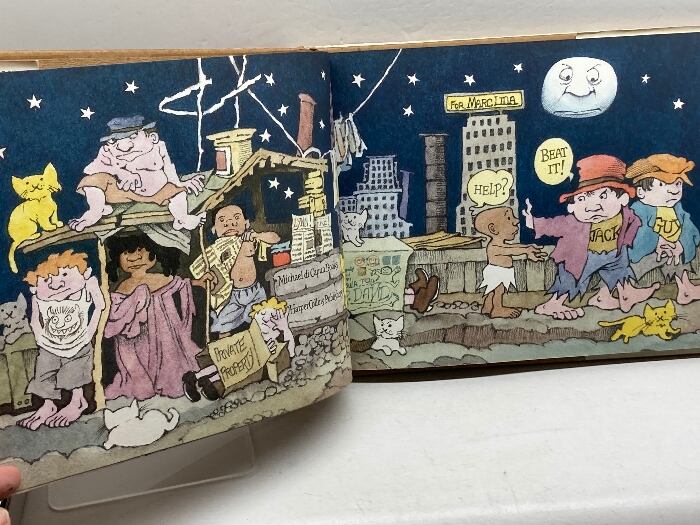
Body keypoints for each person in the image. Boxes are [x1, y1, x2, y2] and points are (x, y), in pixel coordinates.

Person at [522, 154, 658, 319]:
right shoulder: (574, 222)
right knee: (570, 280)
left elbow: (635, 224)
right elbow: (555, 225)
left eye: (603, 196)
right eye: (582, 198)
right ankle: (552, 304)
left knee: (621, 271)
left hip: (614, 255)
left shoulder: (626, 214)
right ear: (572, 207)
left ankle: (625, 293)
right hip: (583, 258)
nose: (593, 207)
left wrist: (629, 243)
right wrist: (533, 222)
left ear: (622, 199)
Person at [104, 232, 216, 400]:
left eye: (140, 250)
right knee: (142, 362)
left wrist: (200, 282)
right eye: (126, 253)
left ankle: (186, 379)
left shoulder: (159, 279)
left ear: (153, 252)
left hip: (163, 334)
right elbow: (117, 313)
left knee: (168, 360)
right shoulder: (123, 287)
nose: (134, 258)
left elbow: (180, 284)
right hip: (137, 340)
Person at [69, 115, 206, 232]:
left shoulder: (158, 147)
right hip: (126, 193)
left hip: (158, 191)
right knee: (93, 180)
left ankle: (182, 218)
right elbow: (90, 169)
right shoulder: (108, 151)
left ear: (152, 137)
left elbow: (169, 169)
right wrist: (121, 172)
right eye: (114, 140)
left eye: (133, 136)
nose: (123, 146)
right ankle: (95, 211)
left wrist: (179, 184)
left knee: (177, 193)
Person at [18, 250, 105, 430]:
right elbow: (35, 320)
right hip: (48, 347)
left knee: (73, 374)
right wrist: (39, 337)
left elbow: (100, 306)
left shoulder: (83, 293)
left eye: (65, 275)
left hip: (78, 345)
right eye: (48, 279)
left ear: (84, 274)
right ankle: (48, 405)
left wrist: (90, 332)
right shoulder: (39, 299)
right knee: (43, 376)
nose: (57, 283)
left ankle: (77, 401)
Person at [626, 154, 700, 304]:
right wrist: (657, 241)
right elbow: (633, 237)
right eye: (662, 184)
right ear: (641, 192)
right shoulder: (638, 210)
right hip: (645, 255)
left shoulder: (677, 209)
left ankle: (685, 288)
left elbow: (692, 232)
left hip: (672, 252)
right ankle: (628, 292)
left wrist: (681, 244)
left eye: (678, 184)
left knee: (678, 258)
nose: (674, 190)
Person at [209, 205, 281, 335]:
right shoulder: (214, 250)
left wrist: (256, 235)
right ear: (214, 229)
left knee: (261, 321)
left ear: (246, 223)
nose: (229, 224)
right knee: (223, 324)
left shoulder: (248, 238)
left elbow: (275, 238)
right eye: (222, 220)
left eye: (236, 218)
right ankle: (226, 345)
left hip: (254, 292)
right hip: (231, 295)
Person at [474, 206, 546, 318]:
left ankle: (487, 308)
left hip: (500, 271)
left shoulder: (499, 244)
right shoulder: (494, 246)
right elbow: (511, 250)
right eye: (509, 218)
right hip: (497, 272)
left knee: (493, 291)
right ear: (493, 229)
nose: (516, 221)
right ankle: (497, 309)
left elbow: (513, 247)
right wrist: (526, 250)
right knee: (499, 291)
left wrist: (528, 249)